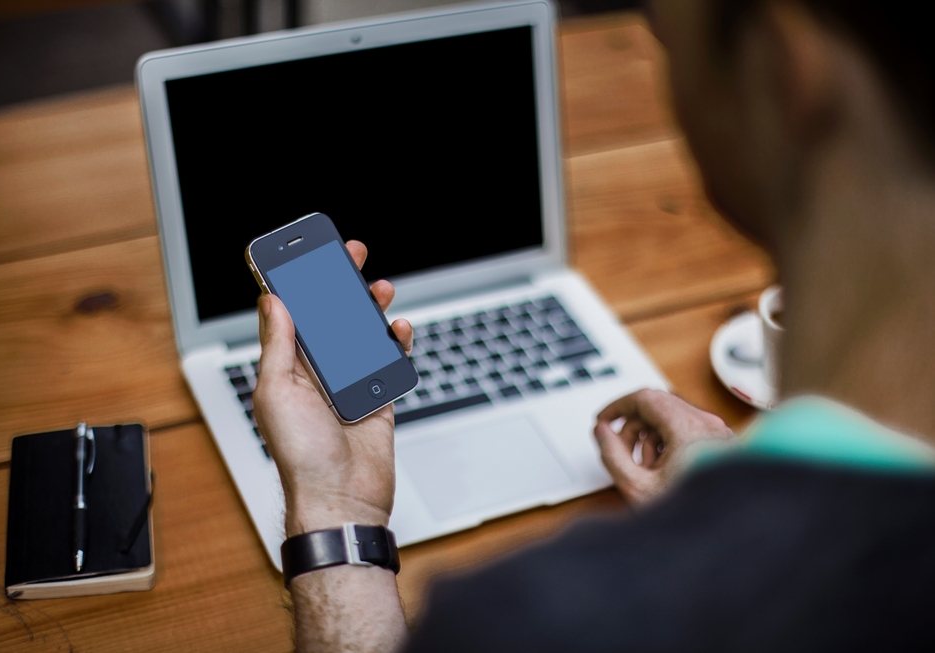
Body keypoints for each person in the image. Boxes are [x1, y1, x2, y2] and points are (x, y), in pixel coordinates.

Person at [253, 0, 935, 650]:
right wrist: (732, 493)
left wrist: (336, 513)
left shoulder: (540, 622)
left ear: (784, 68)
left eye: (665, 31)